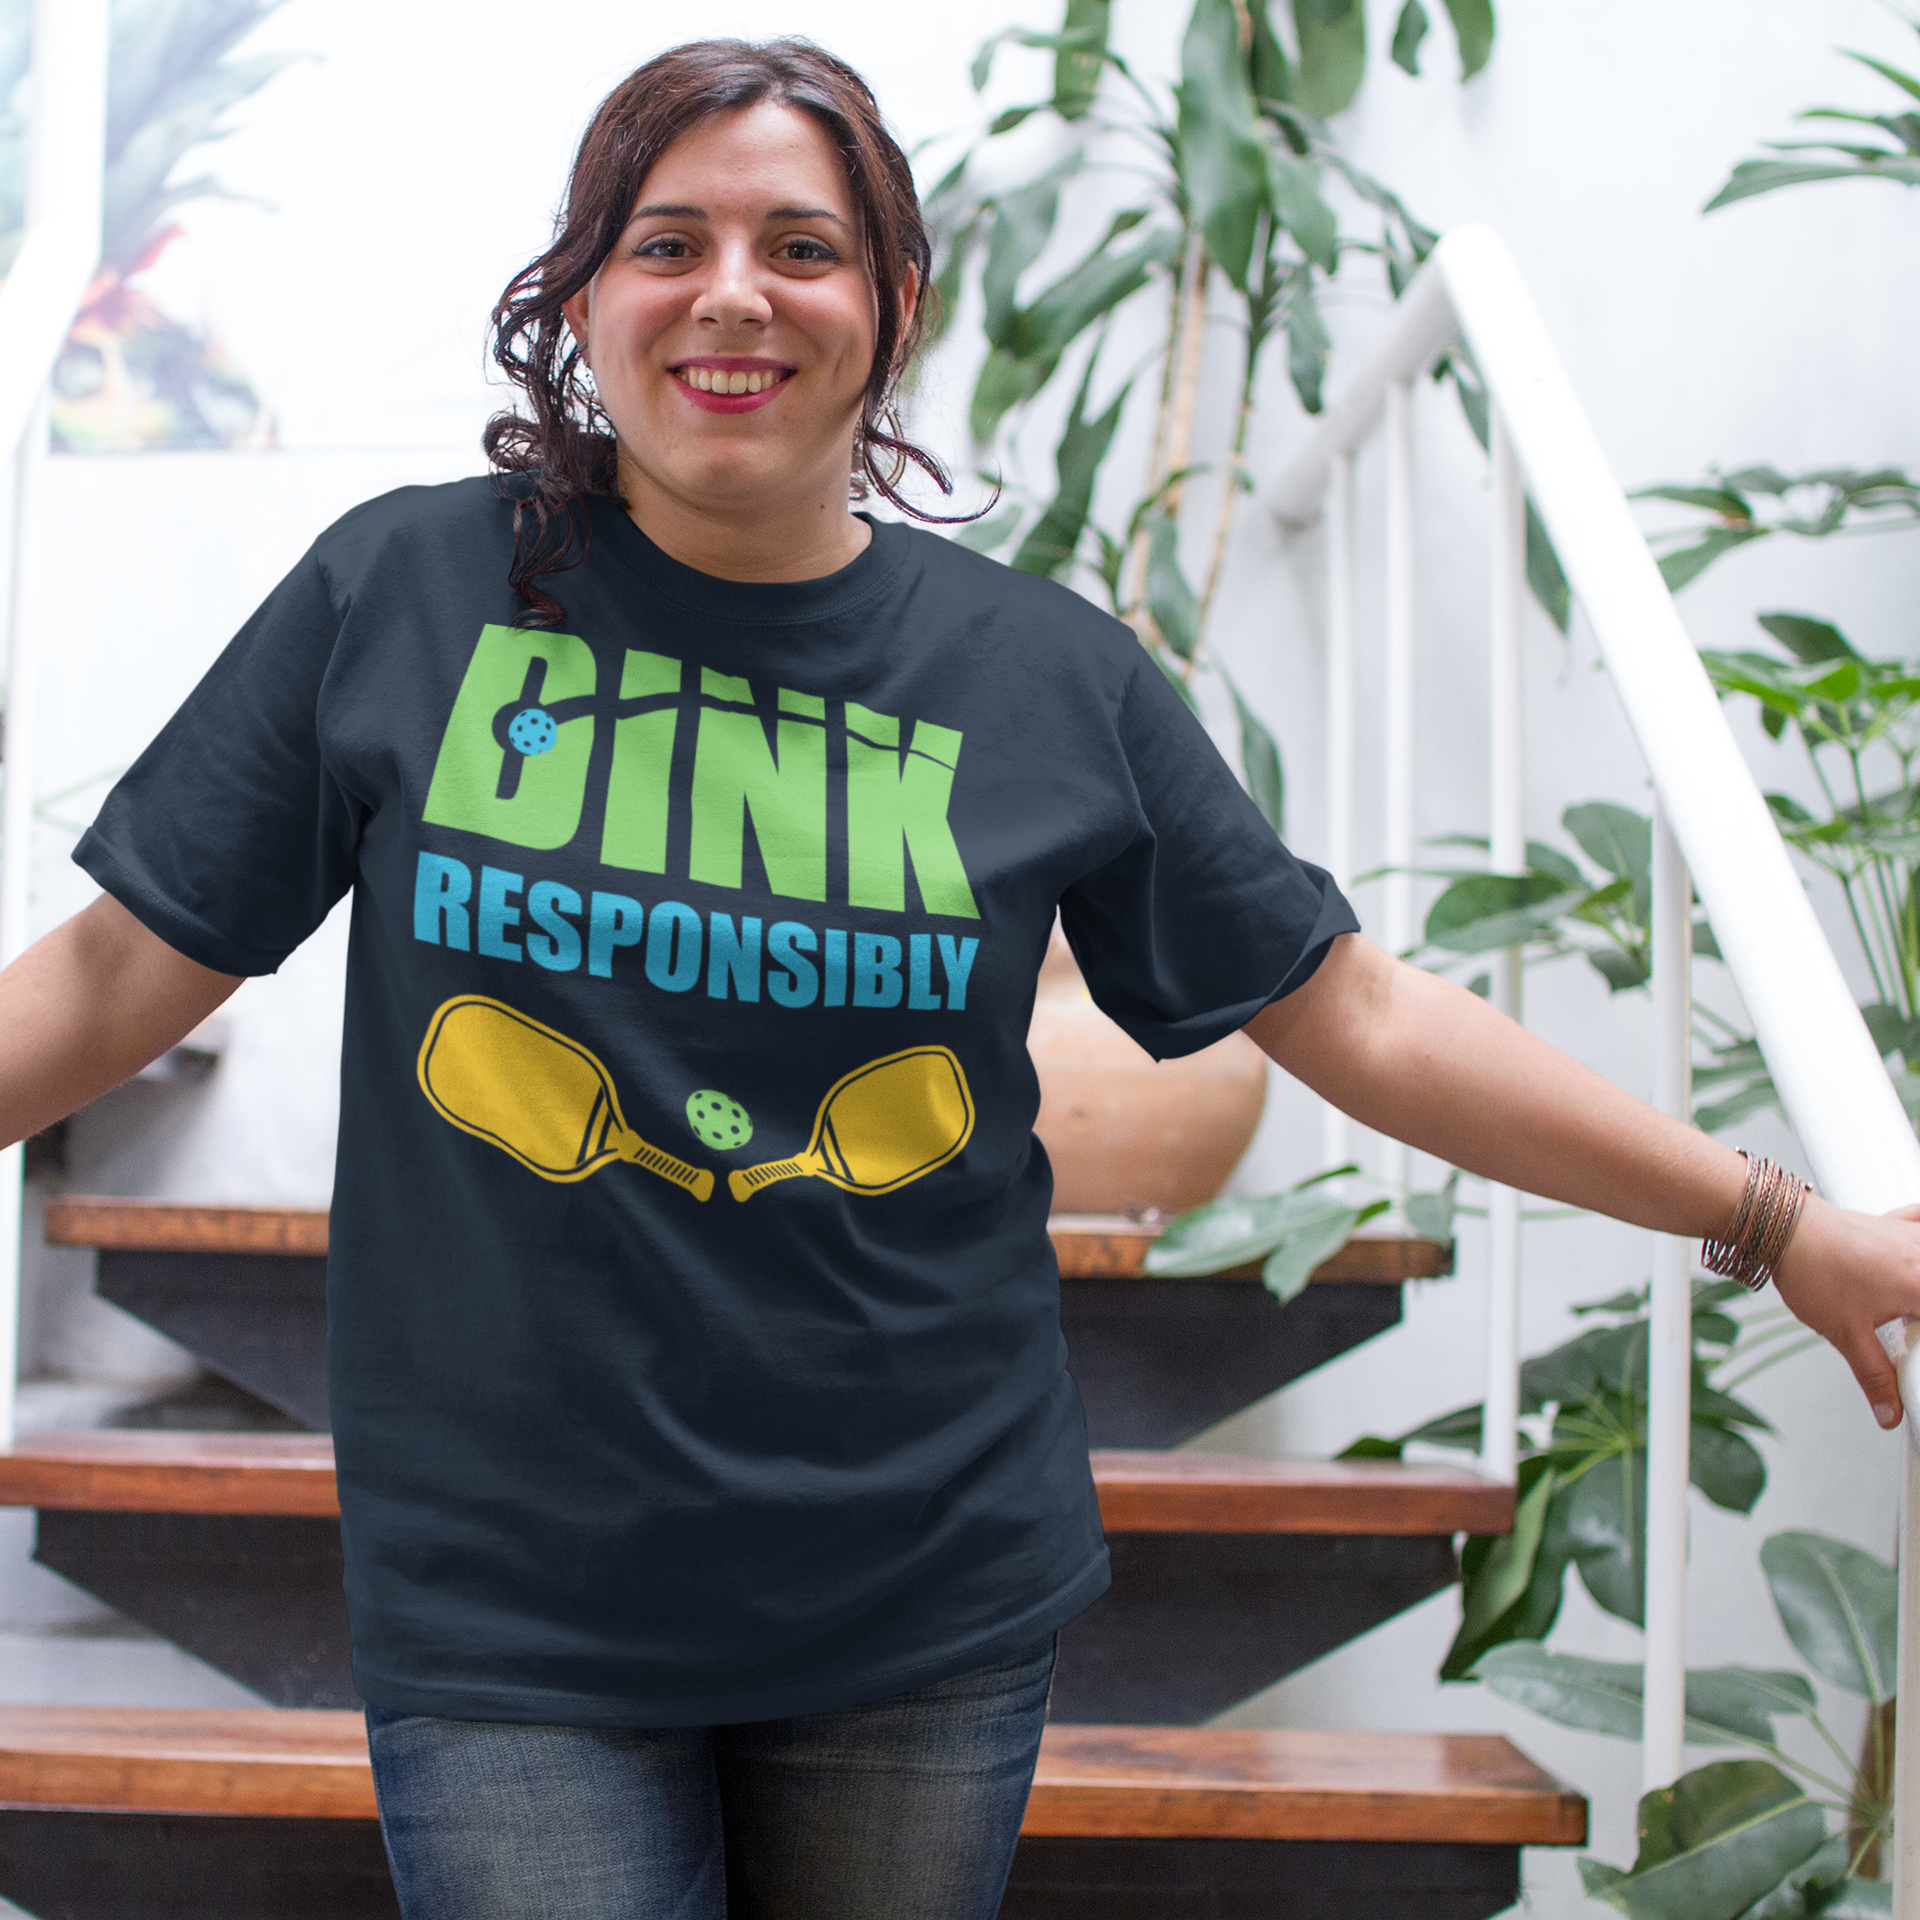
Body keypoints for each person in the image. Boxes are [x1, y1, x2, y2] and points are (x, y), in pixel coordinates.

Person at [3, 33, 1918, 1920]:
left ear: (893, 299)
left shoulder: (1043, 677)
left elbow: (1359, 1014)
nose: (731, 293)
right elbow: (110, 975)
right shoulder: (402, 597)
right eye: (664, 242)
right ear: (583, 298)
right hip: (515, 1597)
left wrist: (1773, 1215)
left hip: (916, 1588)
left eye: (801, 246)